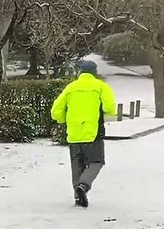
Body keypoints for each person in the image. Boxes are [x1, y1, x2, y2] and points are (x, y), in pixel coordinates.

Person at [50, 59, 117, 207]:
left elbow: (56, 111)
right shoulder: (100, 87)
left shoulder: (70, 88)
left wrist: (62, 120)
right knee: (96, 161)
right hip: (93, 132)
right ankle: (84, 186)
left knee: (77, 164)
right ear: (94, 72)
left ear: (80, 72)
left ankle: (78, 197)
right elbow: (110, 108)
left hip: (73, 132)